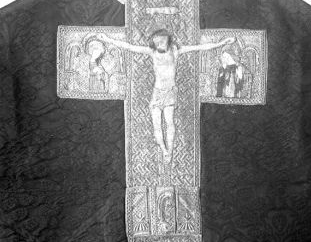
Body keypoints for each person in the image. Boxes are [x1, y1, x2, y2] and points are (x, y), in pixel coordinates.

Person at [98, 29, 235, 162]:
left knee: (169, 122)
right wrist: (108, 39)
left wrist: (221, 43)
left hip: (170, 92)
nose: (159, 44)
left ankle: (169, 150)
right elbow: (129, 47)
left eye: (162, 41)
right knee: (156, 124)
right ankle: (164, 150)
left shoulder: (175, 51)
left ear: (168, 41)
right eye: (156, 42)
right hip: (157, 93)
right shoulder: (152, 52)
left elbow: (199, 47)